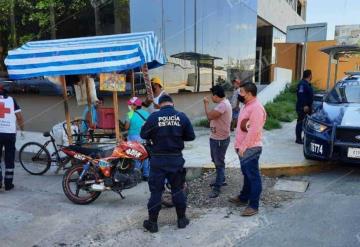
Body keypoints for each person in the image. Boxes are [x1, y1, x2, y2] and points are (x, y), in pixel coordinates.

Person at [140, 94, 195, 233]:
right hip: (175, 159)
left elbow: (143, 135)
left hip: (158, 159)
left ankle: (152, 223)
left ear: (159, 104)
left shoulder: (153, 117)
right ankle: (182, 220)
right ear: (172, 103)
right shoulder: (181, 116)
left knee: (156, 192)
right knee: (177, 189)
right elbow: (191, 136)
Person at [229, 82, 266, 217]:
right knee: (247, 175)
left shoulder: (256, 108)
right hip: (242, 148)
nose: (239, 94)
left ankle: (253, 205)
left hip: (250, 148)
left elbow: (254, 131)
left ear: (249, 94)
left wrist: (243, 147)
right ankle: (244, 197)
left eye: (242, 92)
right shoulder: (247, 105)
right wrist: (237, 146)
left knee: (253, 177)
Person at [203, 85, 232, 198]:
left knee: (219, 163)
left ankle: (217, 188)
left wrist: (205, 104)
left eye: (212, 96)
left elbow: (210, 116)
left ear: (216, 95)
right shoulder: (223, 104)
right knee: (216, 160)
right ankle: (221, 179)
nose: (211, 98)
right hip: (217, 138)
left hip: (219, 140)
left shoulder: (223, 105)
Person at [0, 85, 24, 191]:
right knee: (9, 158)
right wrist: (22, 128)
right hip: (10, 134)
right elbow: (19, 117)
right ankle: (8, 184)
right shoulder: (11, 100)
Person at [124, 96, 150, 181]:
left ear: (135, 105)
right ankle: (146, 175)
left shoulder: (130, 113)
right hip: (144, 137)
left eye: (131, 105)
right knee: (145, 156)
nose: (130, 107)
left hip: (134, 137)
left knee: (136, 156)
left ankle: (137, 175)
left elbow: (126, 127)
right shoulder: (146, 113)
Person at [295, 70, 314, 144]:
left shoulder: (307, 84)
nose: (312, 76)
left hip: (308, 107)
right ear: (309, 75)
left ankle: (304, 138)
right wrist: (305, 105)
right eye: (311, 75)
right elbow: (301, 95)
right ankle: (298, 139)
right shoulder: (302, 84)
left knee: (306, 123)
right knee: (300, 122)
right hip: (303, 107)